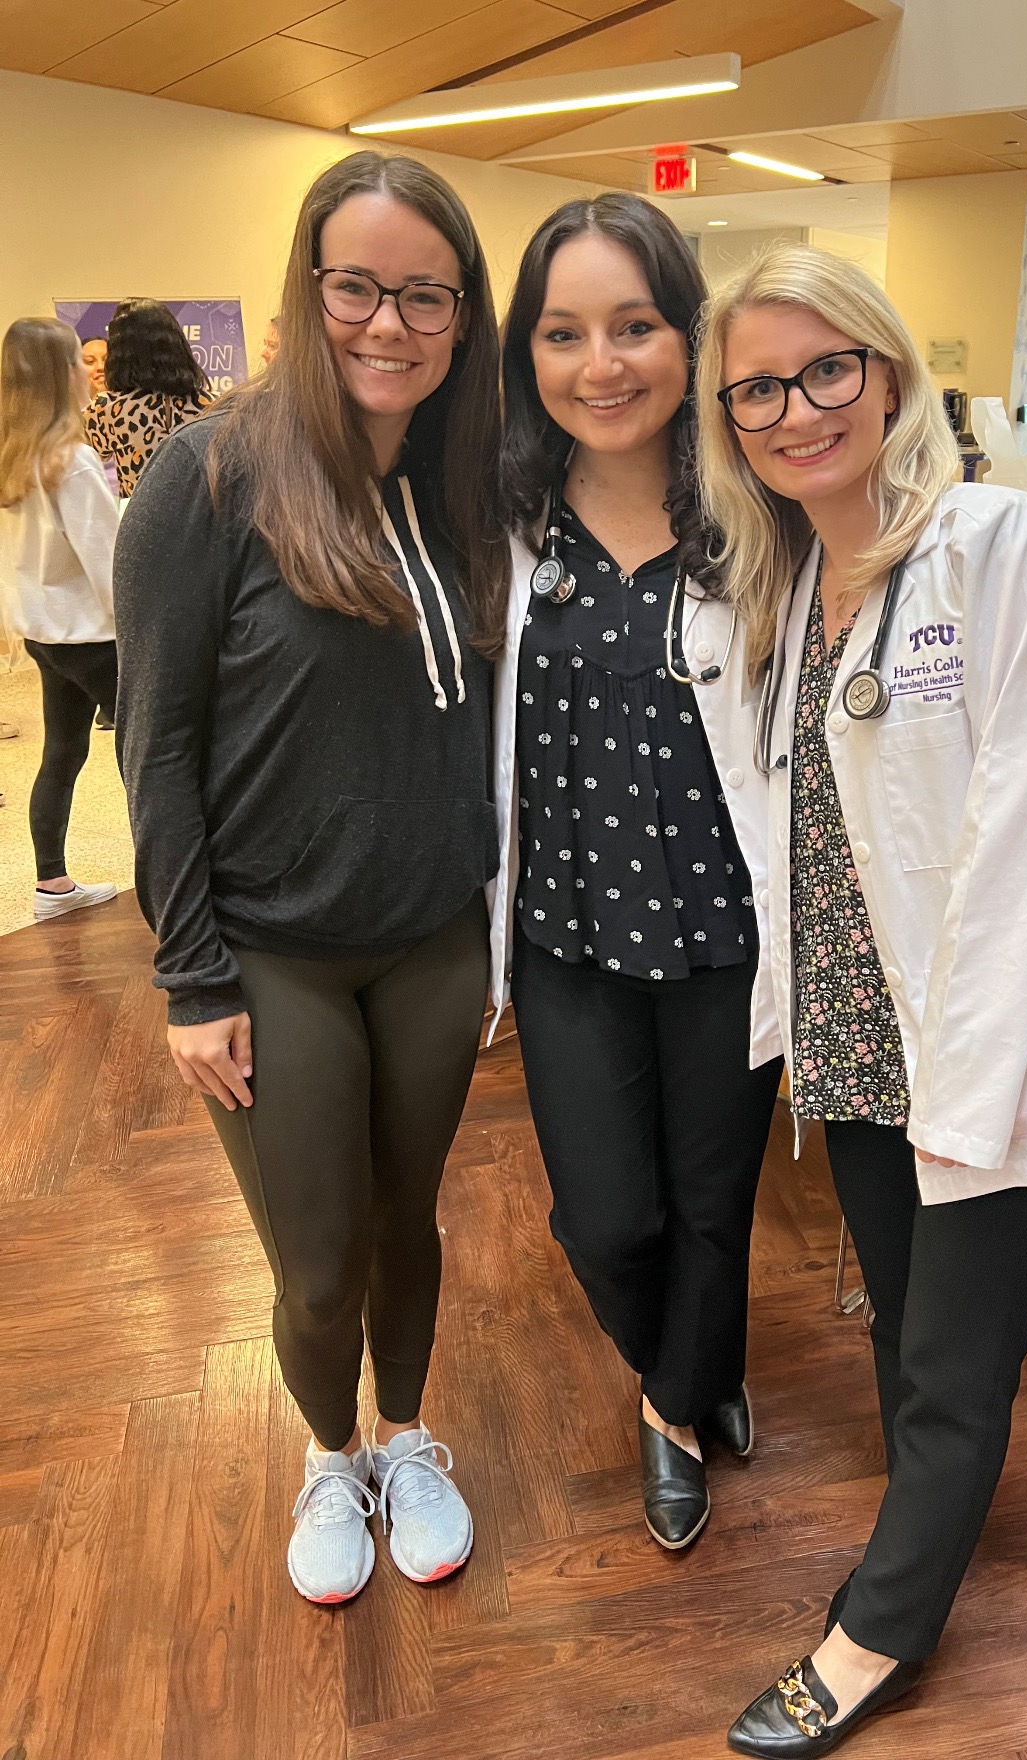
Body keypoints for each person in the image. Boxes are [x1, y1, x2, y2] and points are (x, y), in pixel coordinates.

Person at [695, 246, 1027, 1755]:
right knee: (905, 1337)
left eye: (827, 367)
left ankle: (877, 1632)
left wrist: (967, 1103)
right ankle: (928, 1525)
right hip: (858, 1032)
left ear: (885, 371)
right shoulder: (781, 587)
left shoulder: (996, 543)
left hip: (994, 1052)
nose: (797, 407)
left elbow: (1021, 842)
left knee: (956, 1369)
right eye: (759, 385)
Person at [114, 151, 508, 1606]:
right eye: (358, 286)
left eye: (425, 294)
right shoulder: (207, 475)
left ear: (461, 316)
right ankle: (326, 1457)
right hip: (271, 952)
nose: (389, 323)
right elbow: (156, 747)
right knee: (320, 1255)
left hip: (432, 938)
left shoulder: (472, 487)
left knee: (413, 1220)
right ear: (309, 286)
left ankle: (408, 1439)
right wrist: (192, 976)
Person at [492, 194, 783, 1551]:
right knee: (606, 1218)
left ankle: (678, 1406)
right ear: (528, 354)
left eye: (634, 326)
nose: (600, 364)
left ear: (689, 335)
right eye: (565, 333)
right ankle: (695, 1352)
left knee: (713, 1200)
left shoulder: (756, 519)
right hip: (565, 936)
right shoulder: (499, 526)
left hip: (726, 935)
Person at [0, 317, 120, 917]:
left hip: (46, 635)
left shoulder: (14, 457)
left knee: (64, 750)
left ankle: (52, 883)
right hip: (97, 638)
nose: (89, 369)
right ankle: (178, 878)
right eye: (80, 359)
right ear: (59, 374)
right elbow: (110, 567)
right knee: (155, 758)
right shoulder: (70, 462)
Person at [85, 298, 211, 497]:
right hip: (199, 518)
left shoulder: (105, 410)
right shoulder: (210, 404)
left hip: (140, 517)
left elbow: (89, 460)